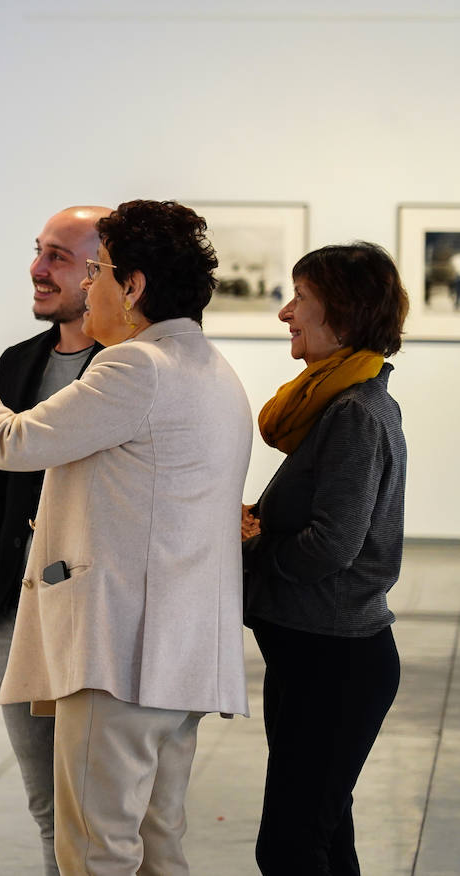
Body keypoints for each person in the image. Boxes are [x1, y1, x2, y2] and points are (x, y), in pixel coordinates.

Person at [0, 200, 252, 874]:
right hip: (182, 654)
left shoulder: (137, 368)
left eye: (98, 271)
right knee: (159, 848)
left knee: (95, 853)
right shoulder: (211, 368)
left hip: (122, 660)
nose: (86, 285)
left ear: (131, 286)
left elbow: (9, 441)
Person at [240, 242, 408, 875]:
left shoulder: (354, 411)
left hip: (335, 661)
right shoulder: (335, 403)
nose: (286, 312)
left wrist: (253, 540)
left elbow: (329, 549)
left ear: (343, 313)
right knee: (322, 833)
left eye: (301, 299)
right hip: (311, 653)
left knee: (289, 846)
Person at [0, 206, 109, 875]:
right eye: (38, 251)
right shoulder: (20, 362)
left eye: (58, 256)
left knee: (101, 813)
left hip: (91, 621)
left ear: (103, 272)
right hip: (18, 611)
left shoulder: (129, 369)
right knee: (47, 806)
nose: (37, 269)